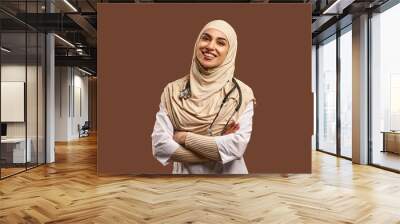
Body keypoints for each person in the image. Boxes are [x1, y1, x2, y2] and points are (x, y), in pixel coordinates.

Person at [151, 19, 256, 174]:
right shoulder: (172, 90)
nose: (210, 46)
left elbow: (236, 147)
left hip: (230, 185)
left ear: (230, 51)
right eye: (205, 38)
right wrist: (216, 148)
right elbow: (160, 145)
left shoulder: (242, 93)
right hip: (184, 186)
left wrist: (183, 138)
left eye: (221, 43)